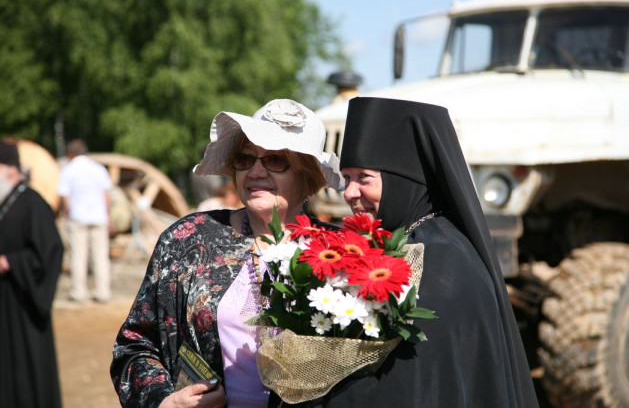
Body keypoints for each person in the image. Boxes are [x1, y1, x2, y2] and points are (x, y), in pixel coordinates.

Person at [110, 99, 343, 407]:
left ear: (308, 176)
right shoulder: (189, 239)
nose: (255, 171)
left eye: (275, 159)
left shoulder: (342, 251)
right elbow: (135, 345)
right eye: (245, 158)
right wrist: (165, 401)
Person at [322, 97, 539, 407]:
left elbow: (412, 381)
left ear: (403, 181)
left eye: (364, 178)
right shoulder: (410, 239)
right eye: (346, 178)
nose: (350, 192)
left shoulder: (441, 260)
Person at [0, 141, 64, 408]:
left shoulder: (32, 202)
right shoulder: (5, 202)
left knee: (28, 370)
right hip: (5, 300)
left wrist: (10, 262)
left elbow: (50, 250)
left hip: (26, 302)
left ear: (9, 169)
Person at [57, 139, 113, 303]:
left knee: (78, 257)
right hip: (99, 217)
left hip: (77, 217)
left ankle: (78, 292)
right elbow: (106, 196)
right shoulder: (98, 169)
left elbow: (65, 197)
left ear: (70, 154)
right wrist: (108, 216)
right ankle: (102, 292)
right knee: (100, 257)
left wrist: (67, 214)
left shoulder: (68, 170)